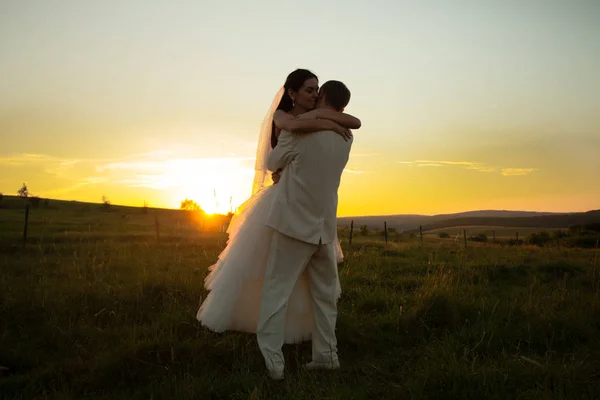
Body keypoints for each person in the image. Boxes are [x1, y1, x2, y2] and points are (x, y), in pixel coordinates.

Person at [196, 70, 361, 344]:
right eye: (308, 89)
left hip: (300, 211)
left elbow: (275, 163)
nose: (313, 94)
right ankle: (312, 349)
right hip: (304, 213)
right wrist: (330, 122)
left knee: (284, 282)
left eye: (316, 90)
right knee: (297, 284)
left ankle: (279, 344)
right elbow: (302, 128)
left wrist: (324, 120)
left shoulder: (306, 126)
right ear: (293, 93)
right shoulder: (306, 125)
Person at [257, 80, 354, 380]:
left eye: (316, 93)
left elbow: (272, 162)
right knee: (325, 298)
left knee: (276, 292)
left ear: (322, 96)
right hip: (325, 229)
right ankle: (326, 356)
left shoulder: (297, 132)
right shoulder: (346, 137)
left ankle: (273, 360)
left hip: (293, 226)